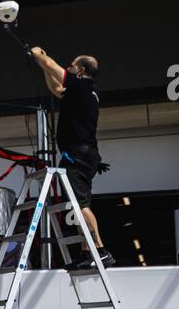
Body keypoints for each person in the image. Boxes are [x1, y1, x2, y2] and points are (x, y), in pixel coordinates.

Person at [29, 47, 115, 268]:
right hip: (81, 155)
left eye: (72, 65)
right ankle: (88, 253)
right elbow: (56, 88)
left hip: (79, 155)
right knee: (76, 204)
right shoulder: (80, 91)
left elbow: (51, 65)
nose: (68, 67)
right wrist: (42, 64)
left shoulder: (81, 85)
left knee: (81, 204)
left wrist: (39, 54)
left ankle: (101, 250)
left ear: (81, 70)